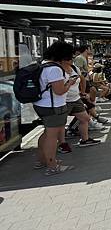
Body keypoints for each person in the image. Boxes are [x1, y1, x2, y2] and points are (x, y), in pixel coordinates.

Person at [32, 41, 78, 175]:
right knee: (52, 136)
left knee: (46, 134)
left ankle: (41, 161)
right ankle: (52, 166)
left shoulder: (44, 65)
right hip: (54, 107)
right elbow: (60, 91)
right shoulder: (55, 69)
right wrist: (69, 83)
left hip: (42, 105)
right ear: (64, 56)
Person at [63, 60, 102, 149]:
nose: (72, 59)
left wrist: (82, 92)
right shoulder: (57, 69)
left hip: (76, 98)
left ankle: (85, 139)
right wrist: (69, 83)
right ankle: (62, 143)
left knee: (85, 118)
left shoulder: (74, 68)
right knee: (60, 123)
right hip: (63, 100)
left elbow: (82, 79)